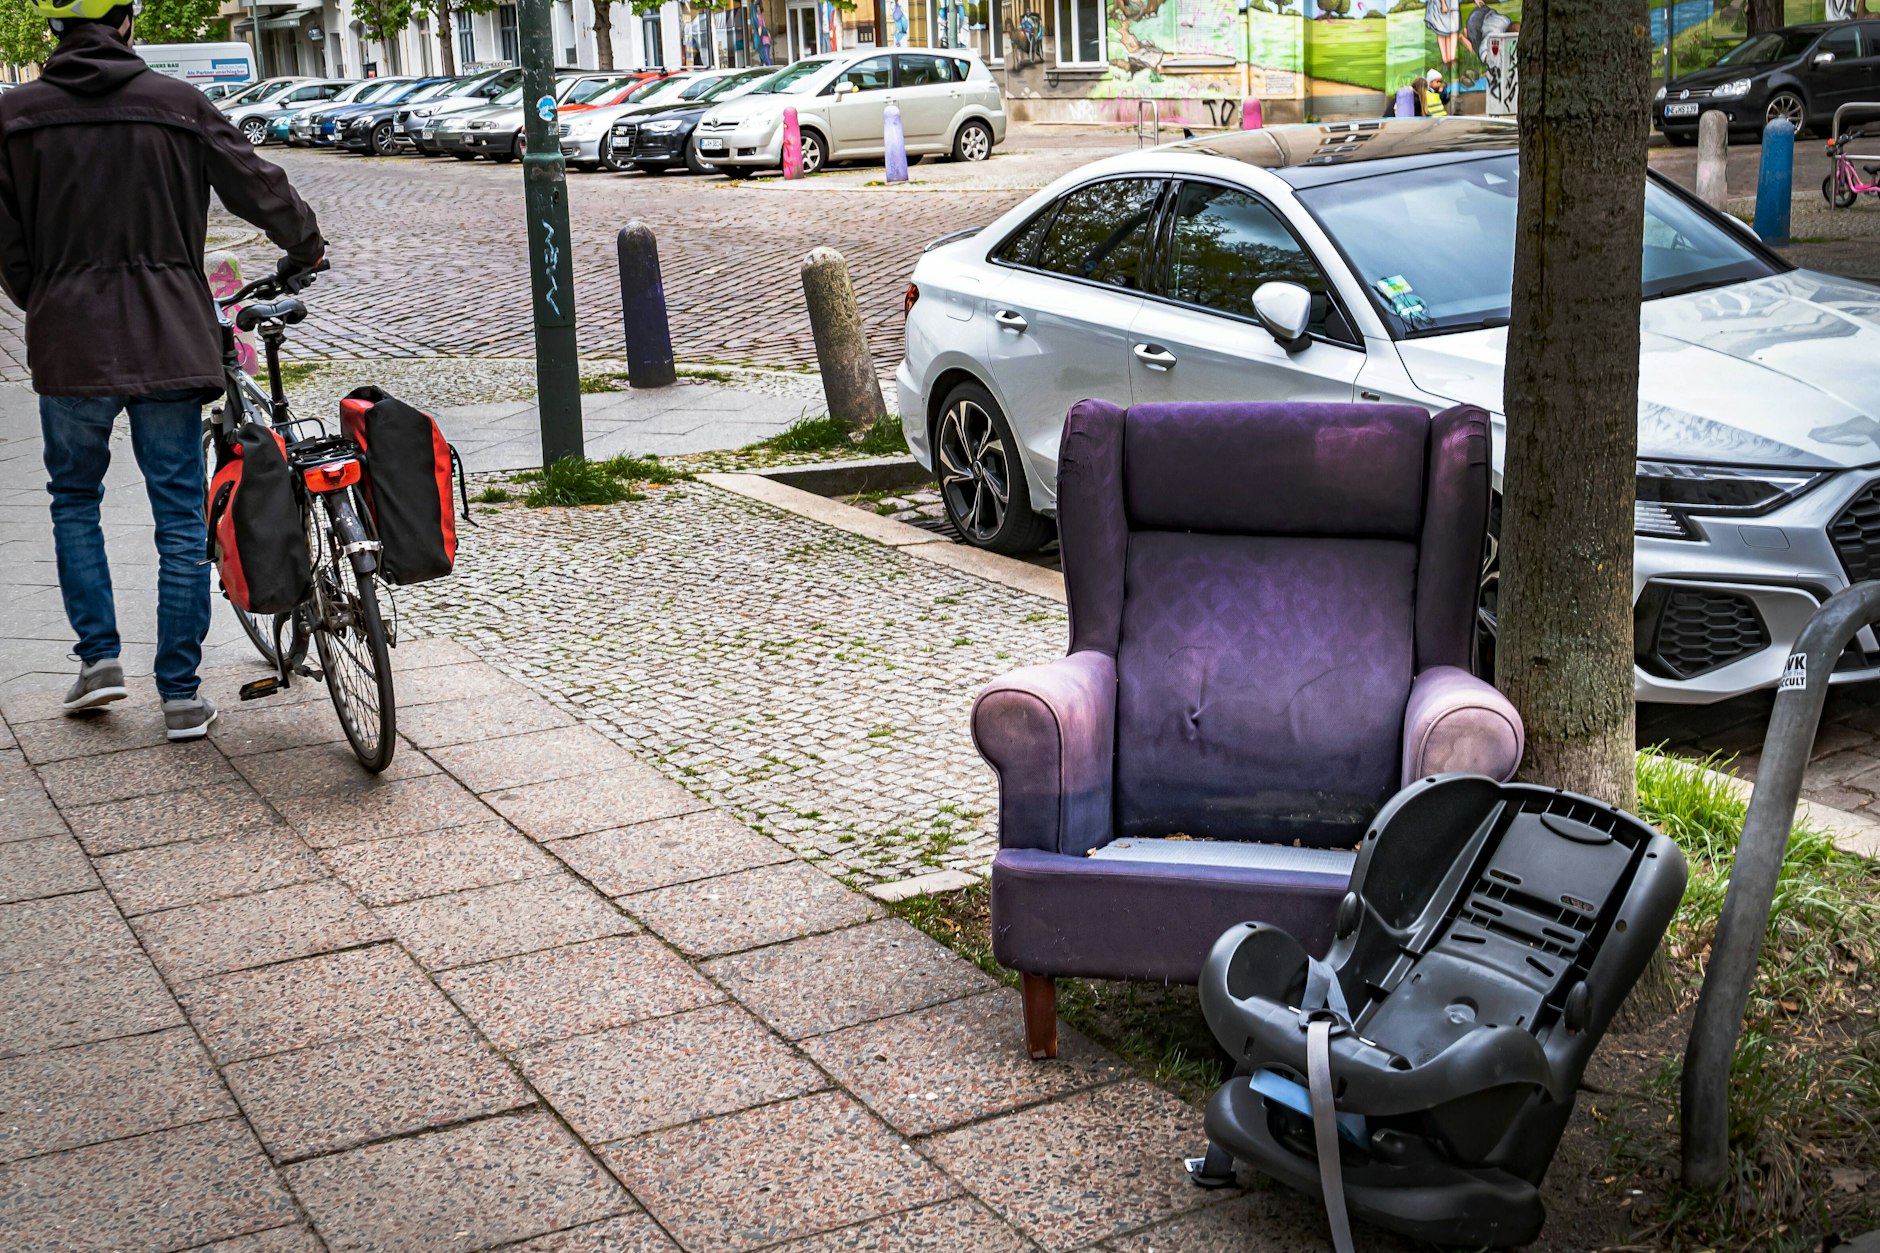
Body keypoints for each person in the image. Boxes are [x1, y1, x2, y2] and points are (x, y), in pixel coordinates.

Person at [0, 0, 323, 740]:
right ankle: (180, 692)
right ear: (126, 23)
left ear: (53, 30)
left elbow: (7, 243)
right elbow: (257, 182)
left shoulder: (14, 116)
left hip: (69, 340)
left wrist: (48, 297)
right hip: (170, 335)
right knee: (178, 512)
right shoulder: (178, 103)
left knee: (73, 499)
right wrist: (305, 244)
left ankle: (99, 661)